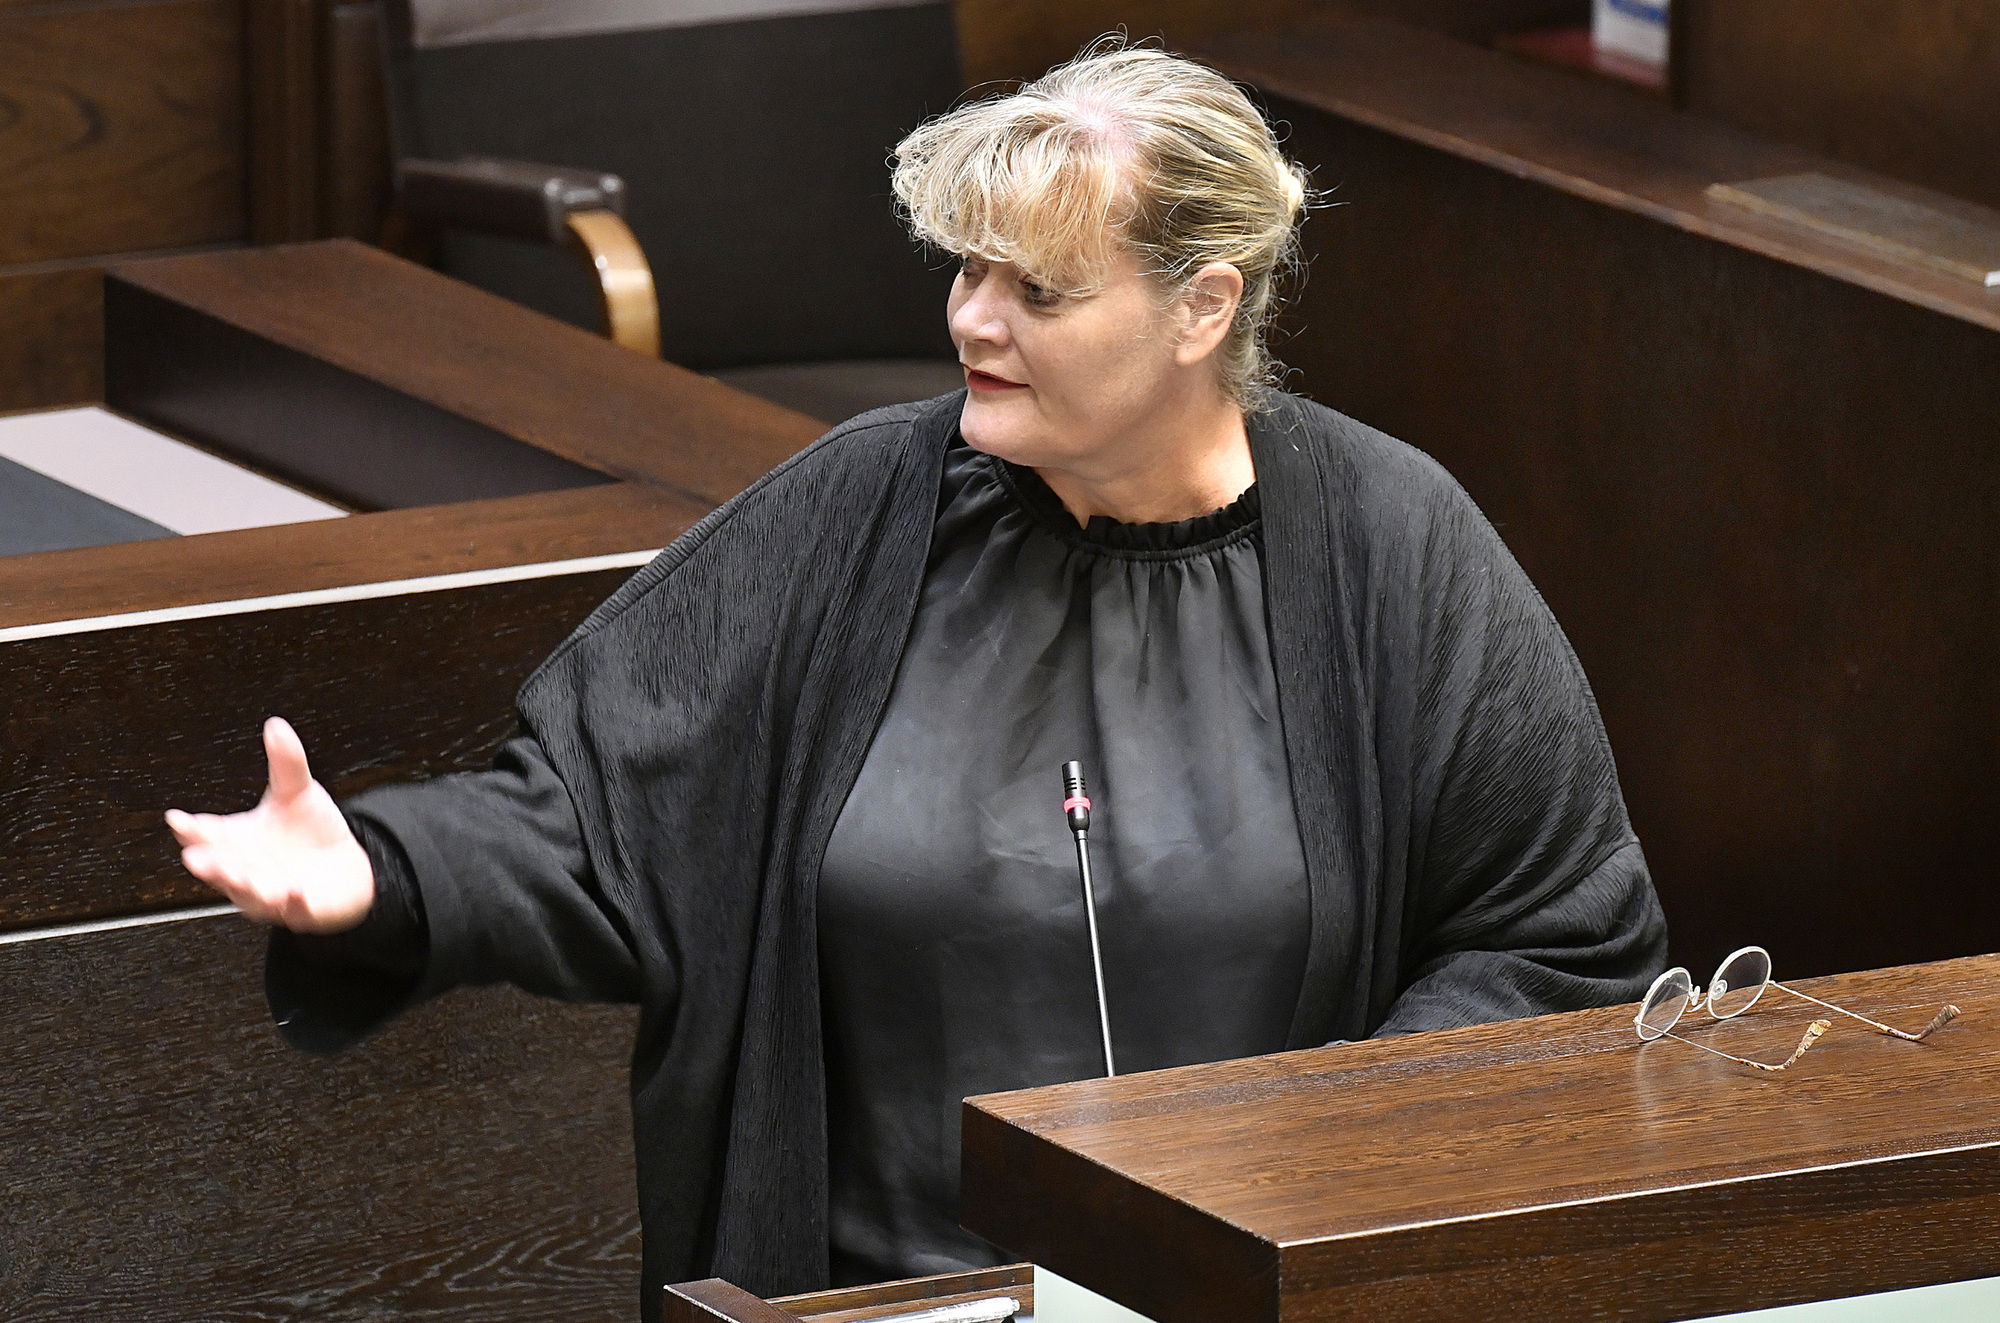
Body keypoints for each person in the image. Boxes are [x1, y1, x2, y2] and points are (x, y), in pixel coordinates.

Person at [166, 40, 1668, 1320]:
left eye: (1040, 291)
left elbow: (1557, 937)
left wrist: (1315, 1178)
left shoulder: (1393, 546)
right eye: (967, 267)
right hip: (880, 1305)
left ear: (1202, 308)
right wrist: (390, 868)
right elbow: (600, 819)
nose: (970, 319)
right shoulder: (856, 514)